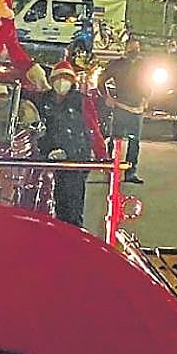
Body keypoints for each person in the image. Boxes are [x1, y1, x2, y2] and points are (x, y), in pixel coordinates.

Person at [35, 61, 107, 228]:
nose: (62, 81)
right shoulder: (43, 100)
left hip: (76, 160)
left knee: (73, 206)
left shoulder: (81, 101)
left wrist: (102, 156)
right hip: (50, 160)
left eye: (66, 77)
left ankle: (74, 234)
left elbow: (92, 129)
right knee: (53, 204)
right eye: (58, 77)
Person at [98, 38, 147, 184]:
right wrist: (107, 97)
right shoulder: (117, 65)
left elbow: (149, 84)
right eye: (132, 48)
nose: (135, 51)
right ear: (126, 49)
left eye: (137, 48)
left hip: (137, 110)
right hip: (120, 108)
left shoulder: (143, 65)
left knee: (134, 142)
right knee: (115, 140)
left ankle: (130, 172)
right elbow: (101, 81)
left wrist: (146, 99)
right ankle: (110, 170)